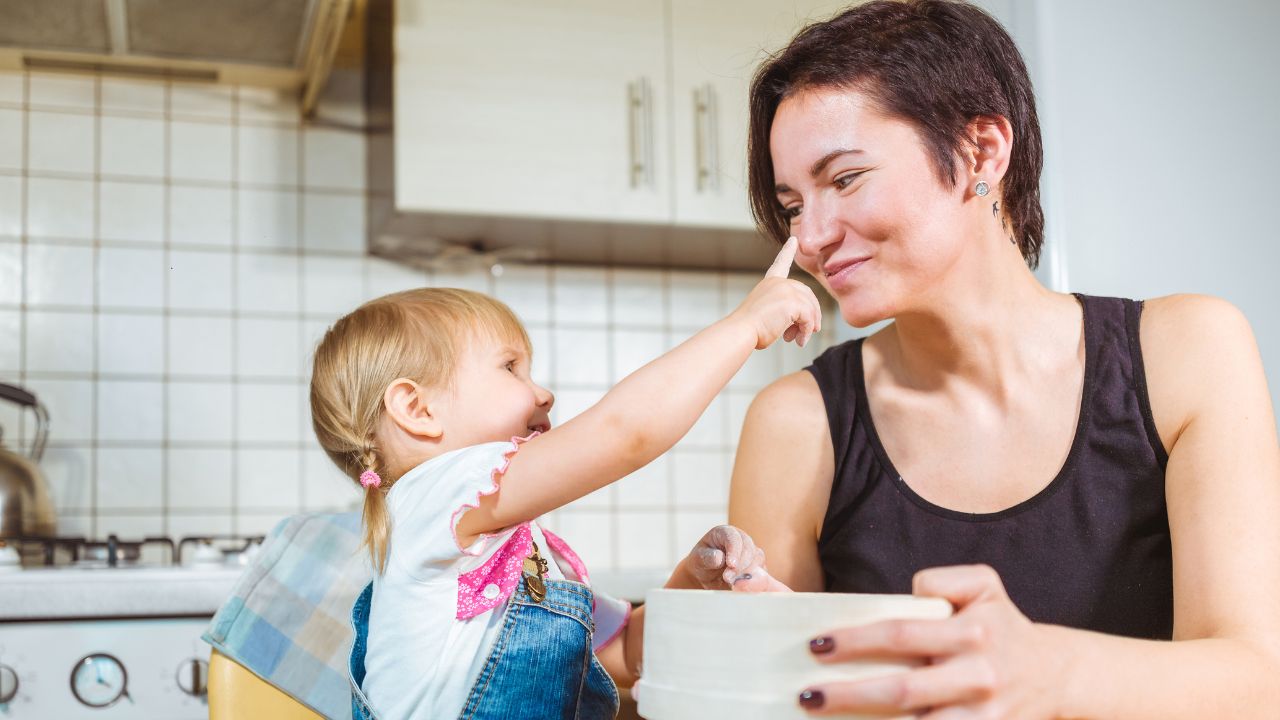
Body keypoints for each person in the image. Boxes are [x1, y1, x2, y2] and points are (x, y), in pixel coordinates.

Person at [729, 0, 1280, 716]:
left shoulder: (1189, 351)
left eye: (844, 178)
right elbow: (779, 701)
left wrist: (1042, 672)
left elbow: (1257, 680)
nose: (811, 237)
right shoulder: (795, 422)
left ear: (981, 152)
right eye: (793, 204)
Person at [308, 240, 819, 719]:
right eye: (511, 368)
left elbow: (622, 654)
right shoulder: (433, 494)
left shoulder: (518, 548)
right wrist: (744, 327)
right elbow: (624, 434)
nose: (543, 393)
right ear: (417, 409)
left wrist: (693, 584)